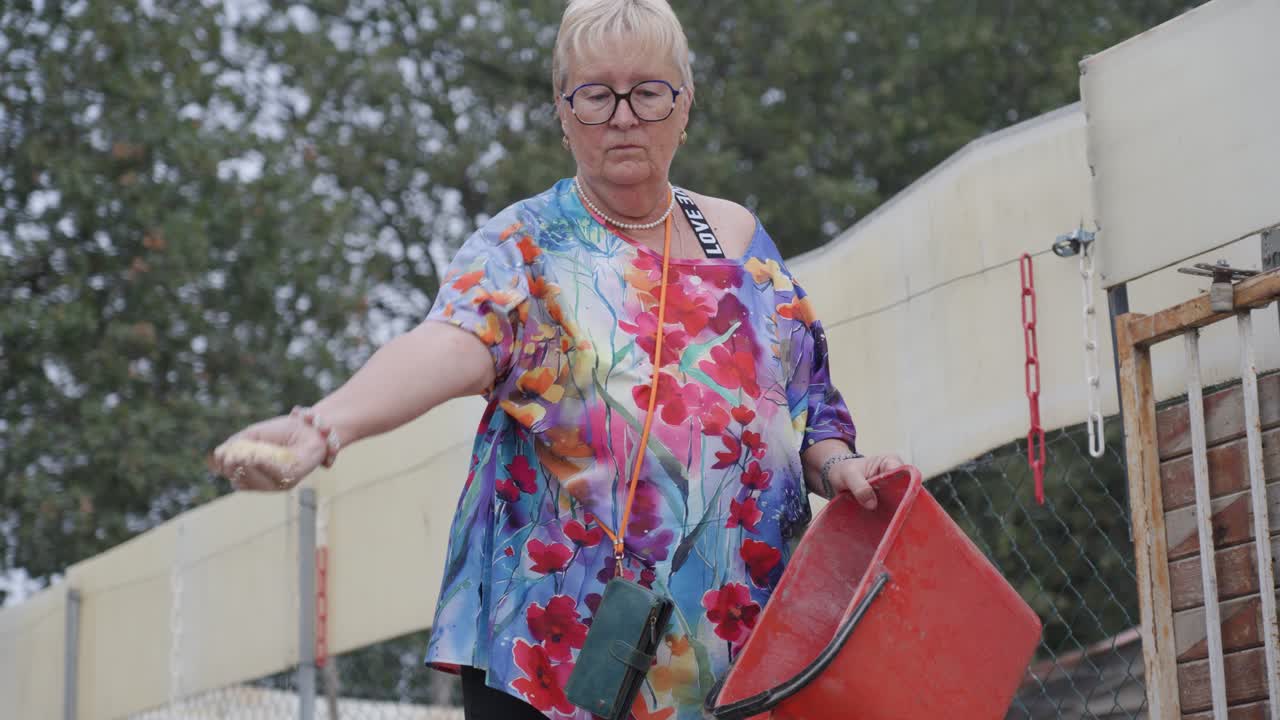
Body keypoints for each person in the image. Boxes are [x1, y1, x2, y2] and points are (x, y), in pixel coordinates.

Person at [211, 0, 904, 717]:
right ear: (563, 111)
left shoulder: (737, 235)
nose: (624, 115)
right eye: (597, 94)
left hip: (732, 653)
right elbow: (450, 341)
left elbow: (808, 403)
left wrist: (840, 465)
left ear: (685, 105)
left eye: (649, 91)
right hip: (555, 656)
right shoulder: (526, 245)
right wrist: (326, 426)